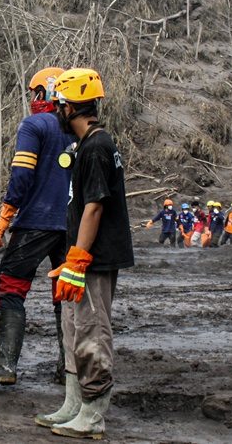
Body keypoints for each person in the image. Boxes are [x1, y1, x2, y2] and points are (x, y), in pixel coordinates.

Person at [34, 68, 134, 439]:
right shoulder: (87, 145)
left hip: (94, 256)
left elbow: (94, 207)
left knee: (92, 330)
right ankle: (73, 405)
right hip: (82, 253)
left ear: (72, 107)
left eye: (59, 104)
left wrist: (77, 259)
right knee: (73, 327)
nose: (56, 111)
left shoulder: (96, 147)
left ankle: (92, 415)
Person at [0, 67, 71, 387]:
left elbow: (22, 173)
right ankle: (69, 367)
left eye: (34, 93)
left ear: (44, 93)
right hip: (73, 224)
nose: (32, 99)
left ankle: (5, 364)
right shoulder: (81, 128)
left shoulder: (34, 124)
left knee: (12, 287)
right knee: (66, 294)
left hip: (36, 221)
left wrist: (5, 216)